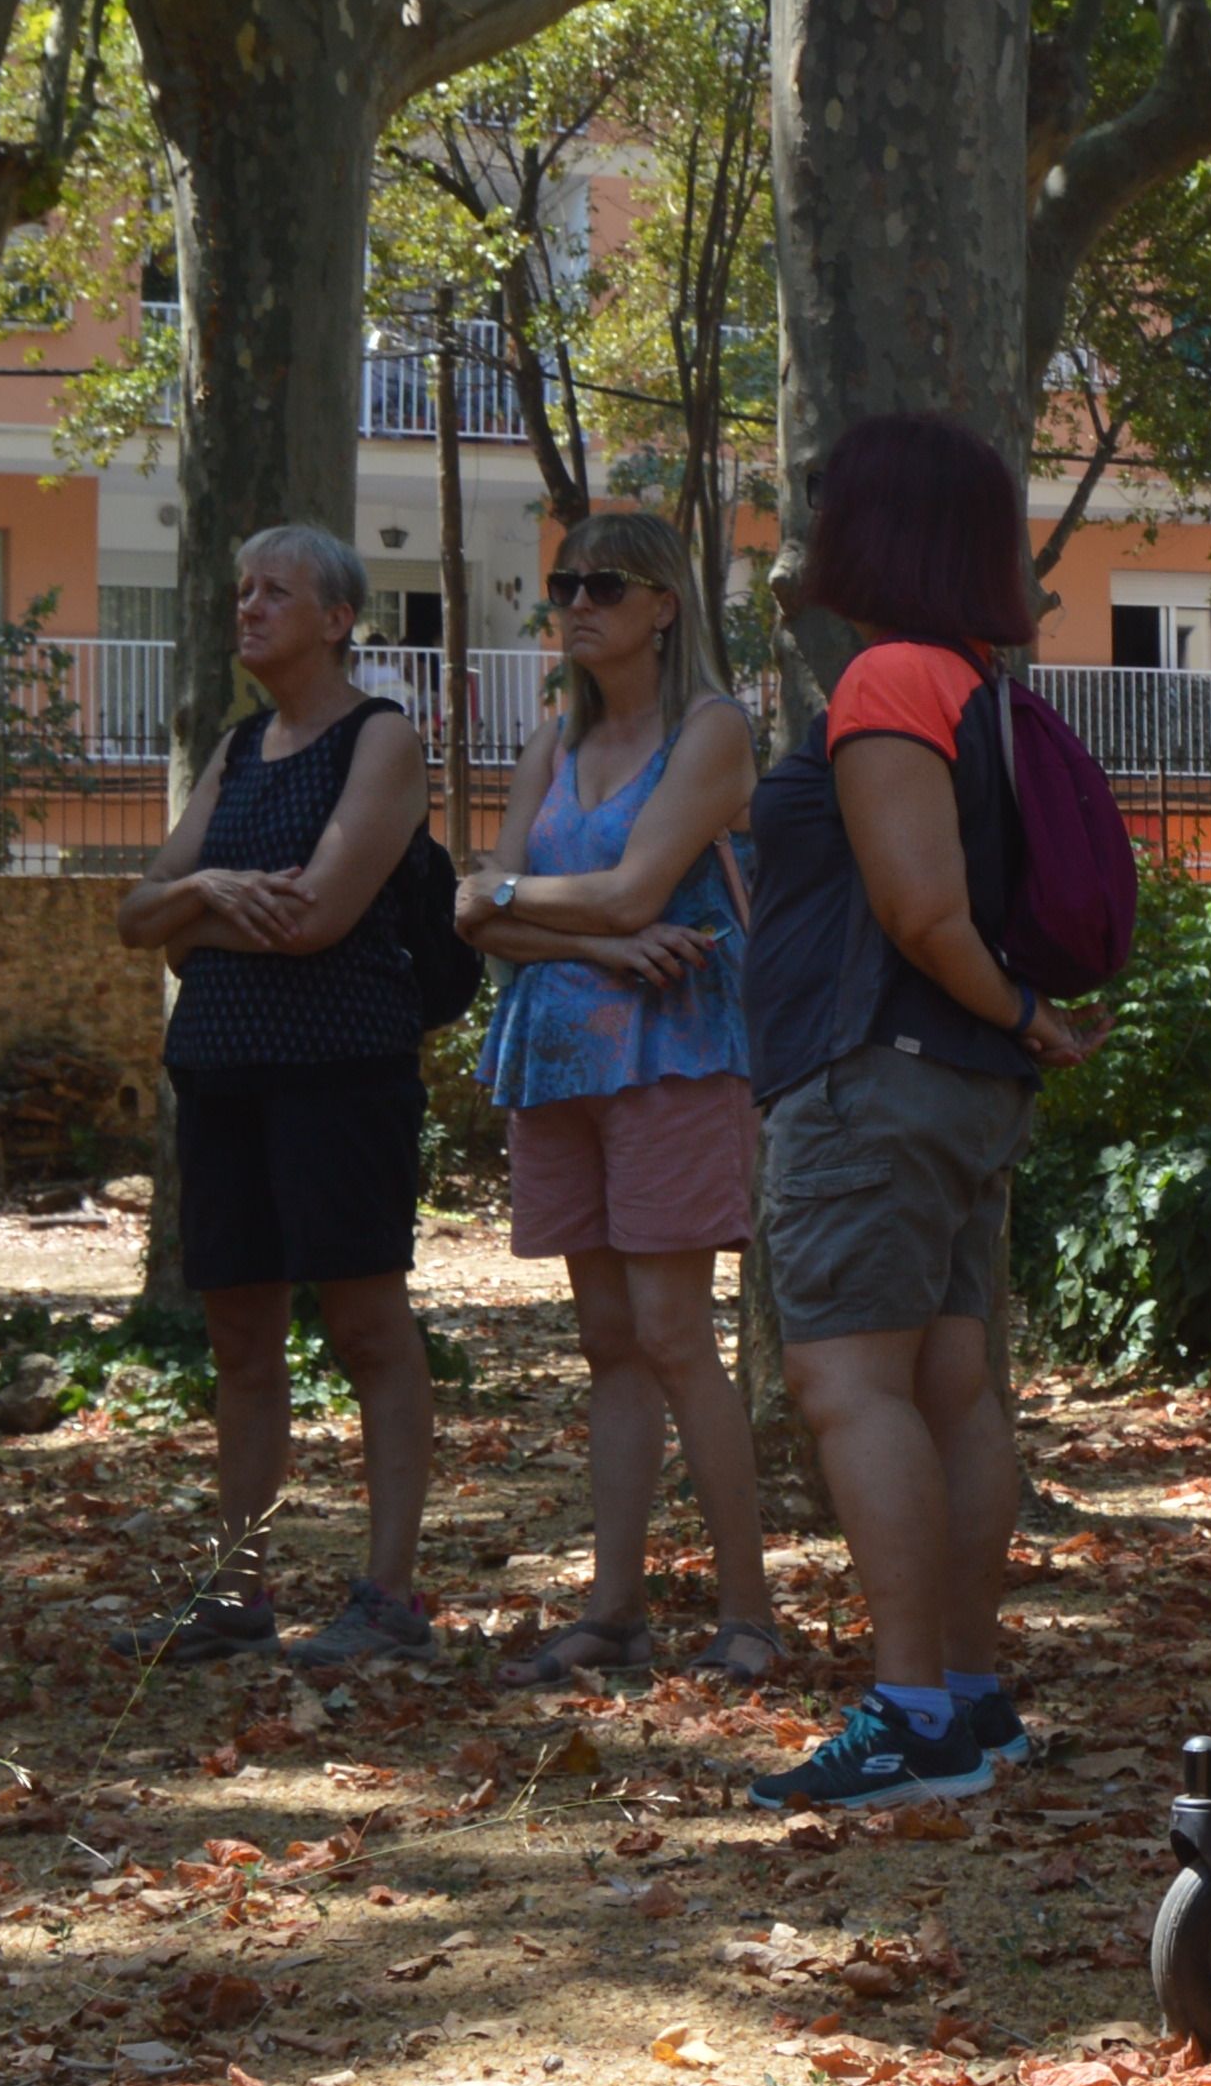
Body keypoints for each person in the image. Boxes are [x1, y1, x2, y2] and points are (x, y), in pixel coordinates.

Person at [741, 414, 1105, 1815]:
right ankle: (968, 1695)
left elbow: (917, 905)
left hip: (872, 1082)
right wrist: (1015, 1027)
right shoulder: (974, 681)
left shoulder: (891, 678)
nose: (807, 529)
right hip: (952, 1087)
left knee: (850, 1384)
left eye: (822, 504)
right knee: (951, 1386)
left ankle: (911, 1715)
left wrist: (1025, 1018)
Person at [116, 524, 440, 1674]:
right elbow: (134, 913)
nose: (246, 607)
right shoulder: (240, 746)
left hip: (340, 1078)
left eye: (275, 592)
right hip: (223, 1076)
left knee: (365, 1327)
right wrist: (207, 888)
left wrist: (191, 916)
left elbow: (315, 918)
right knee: (240, 1339)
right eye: (239, 587)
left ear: (338, 619)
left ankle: (389, 1596)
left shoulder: (380, 739)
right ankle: (236, 1592)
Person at [470, 512, 779, 1690]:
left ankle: (747, 1613)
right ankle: (614, 1612)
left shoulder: (711, 731)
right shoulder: (550, 743)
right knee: (607, 1344)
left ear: (664, 605)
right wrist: (588, 938)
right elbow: (494, 920)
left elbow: (628, 886)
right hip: (553, 1056)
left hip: (678, 1053)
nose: (578, 601)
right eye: (563, 584)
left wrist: (513, 899)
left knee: (670, 1334)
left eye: (607, 582)